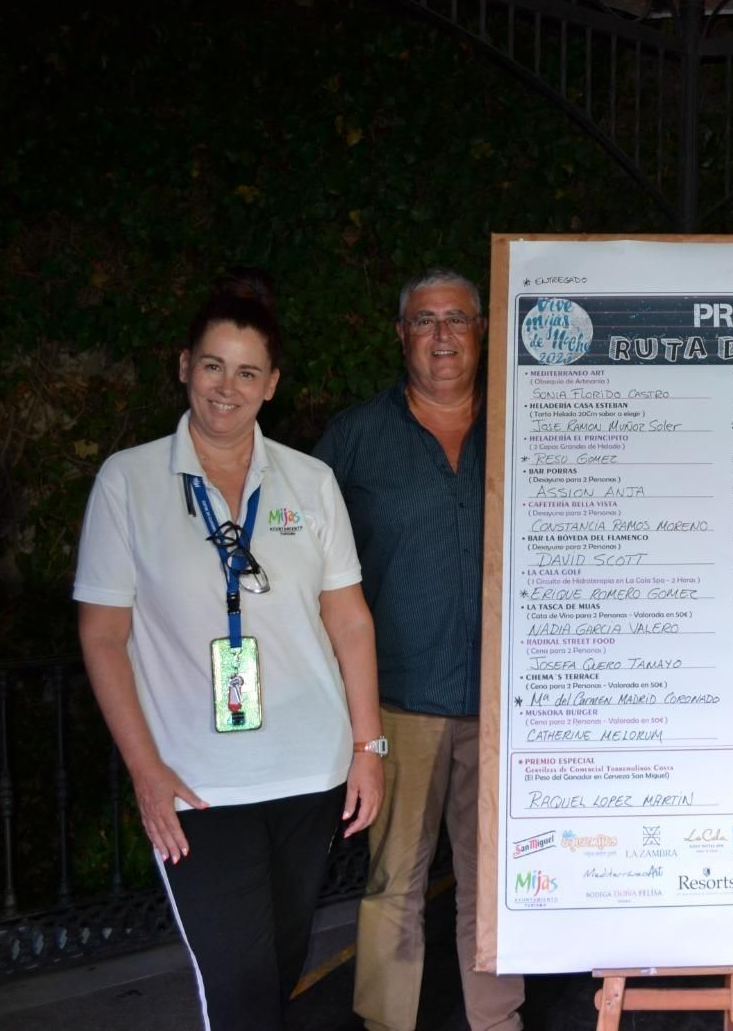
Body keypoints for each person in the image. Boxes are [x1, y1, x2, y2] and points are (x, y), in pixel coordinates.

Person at [74, 274, 385, 1031]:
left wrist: (368, 746)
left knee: (278, 974)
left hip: (310, 774)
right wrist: (148, 776)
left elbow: (349, 622)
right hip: (197, 786)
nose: (227, 386)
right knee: (239, 991)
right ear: (184, 366)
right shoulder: (129, 482)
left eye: (248, 371)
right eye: (213, 364)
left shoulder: (309, 482)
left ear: (271, 385)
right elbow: (102, 635)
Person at [314, 268, 525, 1031]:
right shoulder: (353, 440)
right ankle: (384, 1024)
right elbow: (313, 574)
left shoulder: (524, 424)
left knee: (490, 880)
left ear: (482, 332)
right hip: (398, 701)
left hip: (508, 702)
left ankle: (498, 1022)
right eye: (426, 321)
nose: (442, 336)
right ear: (401, 335)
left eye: (458, 320)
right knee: (394, 880)